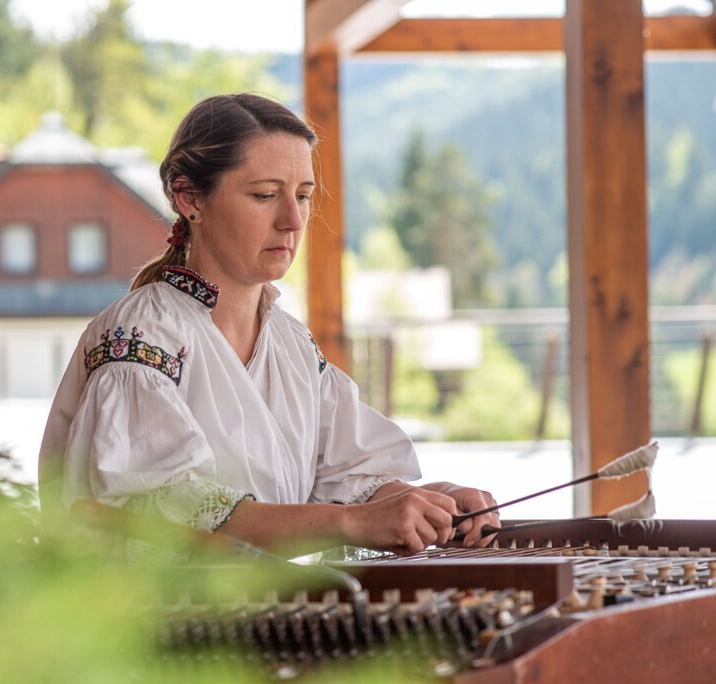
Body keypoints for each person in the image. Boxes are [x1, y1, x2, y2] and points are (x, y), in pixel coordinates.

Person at [39, 93, 499, 557]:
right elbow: (164, 512)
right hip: (154, 624)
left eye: (302, 196)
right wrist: (352, 522)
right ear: (190, 199)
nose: (293, 220)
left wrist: (430, 504)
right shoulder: (140, 337)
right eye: (264, 195)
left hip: (273, 619)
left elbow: (345, 476)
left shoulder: (290, 342)